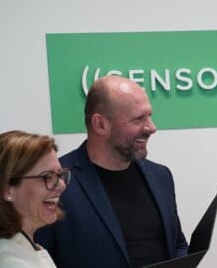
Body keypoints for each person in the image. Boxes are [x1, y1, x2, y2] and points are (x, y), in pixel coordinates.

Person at [35, 75, 188, 267]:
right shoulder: (56, 183)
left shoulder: (161, 176)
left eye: (149, 115)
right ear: (100, 124)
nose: (151, 127)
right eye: (139, 118)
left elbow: (177, 244)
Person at [0, 130, 70, 268]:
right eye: (47, 177)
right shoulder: (11, 262)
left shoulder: (5, 245)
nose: (62, 185)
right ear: (7, 189)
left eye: (60, 174)